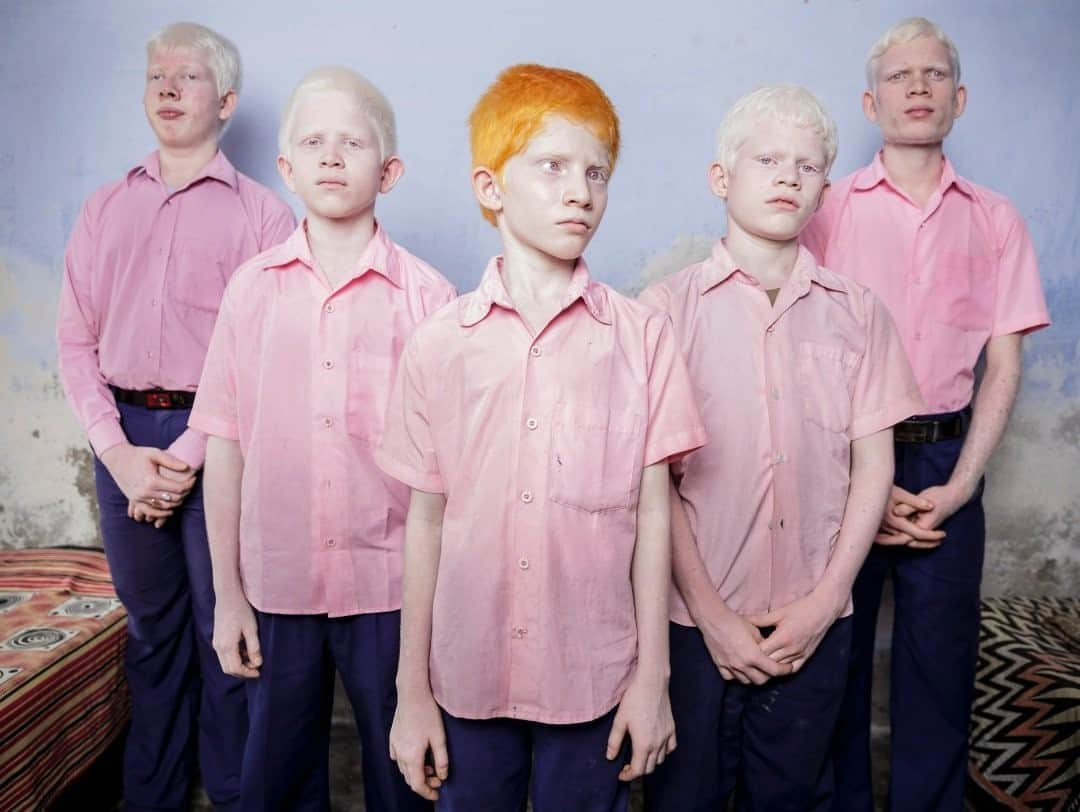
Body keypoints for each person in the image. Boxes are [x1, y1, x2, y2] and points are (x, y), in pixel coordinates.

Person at [376, 63, 706, 811]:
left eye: (597, 172)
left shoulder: (643, 337)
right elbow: (424, 522)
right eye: (551, 166)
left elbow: (655, 515)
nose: (580, 191)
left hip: (594, 674)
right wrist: (412, 692)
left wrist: (653, 679)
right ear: (491, 188)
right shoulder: (439, 344)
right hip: (467, 673)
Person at [641, 84, 923, 810]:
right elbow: (655, 486)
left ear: (825, 190)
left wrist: (828, 600)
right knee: (686, 796)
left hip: (815, 618)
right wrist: (709, 613)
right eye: (767, 158)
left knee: (796, 793)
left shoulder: (858, 314)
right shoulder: (662, 314)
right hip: (696, 621)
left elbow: (873, 467)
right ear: (721, 177)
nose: (787, 176)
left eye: (806, 165)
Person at [801, 18, 1051, 811]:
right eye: (901, 76)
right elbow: (798, 356)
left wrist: (960, 487)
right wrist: (857, 487)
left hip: (950, 465)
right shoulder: (827, 208)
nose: (919, 87)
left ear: (960, 98)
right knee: (830, 669)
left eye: (935, 75)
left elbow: (1002, 365)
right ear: (872, 103)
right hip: (845, 461)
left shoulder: (996, 218)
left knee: (939, 673)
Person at [190, 66, 455, 810]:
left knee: (407, 777)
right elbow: (225, 444)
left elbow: (447, 475)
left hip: (393, 588)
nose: (333, 157)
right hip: (278, 583)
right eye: (314, 142)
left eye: (353, 143)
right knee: (273, 780)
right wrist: (229, 599)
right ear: (286, 169)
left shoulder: (431, 299)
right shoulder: (253, 290)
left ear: (390, 169)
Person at [56, 21, 294, 810]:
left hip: (223, 440)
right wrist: (119, 455)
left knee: (226, 633)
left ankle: (231, 793)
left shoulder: (264, 219)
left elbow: (266, 353)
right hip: (121, 439)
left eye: (187, 77)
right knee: (152, 637)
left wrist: (191, 453)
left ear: (224, 101)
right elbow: (74, 340)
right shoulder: (102, 209)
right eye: (157, 74)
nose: (166, 87)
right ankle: (149, 797)